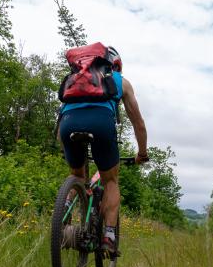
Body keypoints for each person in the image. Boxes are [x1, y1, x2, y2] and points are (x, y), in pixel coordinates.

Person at [58, 45, 148, 253]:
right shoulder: (120, 81)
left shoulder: (74, 80)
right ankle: (108, 236)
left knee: (77, 176)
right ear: (115, 64)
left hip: (68, 125)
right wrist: (142, 153)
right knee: (110, 181)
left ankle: (62, 212)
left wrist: (67, 150)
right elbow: (138, 123)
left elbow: (61, 119)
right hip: (101, 124)